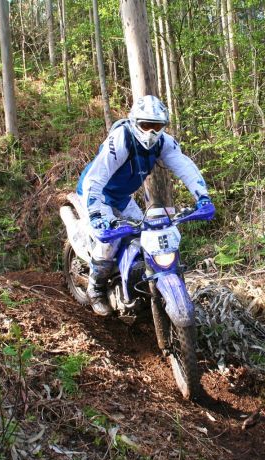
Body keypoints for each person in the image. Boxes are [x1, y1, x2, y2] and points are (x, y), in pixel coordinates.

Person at [76, 95, 212, 316]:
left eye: (156, 126)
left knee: (146, 237)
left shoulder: (163, 142)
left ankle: (139, 287)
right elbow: (96, 178)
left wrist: (202, 197)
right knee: (109, 242)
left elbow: (184, 165)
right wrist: (95, 214)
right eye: (146, 125)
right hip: (97, 194)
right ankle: (96, 289)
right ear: (135, 122)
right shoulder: (121, 139)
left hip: (122, 197)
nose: (151, 132)